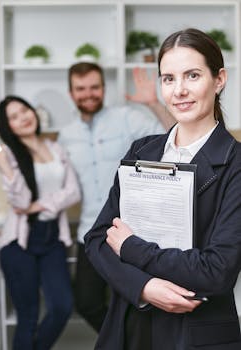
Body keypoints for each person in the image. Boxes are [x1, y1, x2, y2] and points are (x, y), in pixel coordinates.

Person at [84, 28, 241, 350]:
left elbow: (217, 270)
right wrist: (144, 286)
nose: (179, 90)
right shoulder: (141, 151)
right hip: (129, 324)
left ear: (219, 79)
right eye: (168, 79)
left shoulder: (236, 163)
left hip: (197, 332)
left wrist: (131, 249)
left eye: (192, 75)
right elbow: (98, 239)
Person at [58, 62, 175, 332]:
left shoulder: (127, 119)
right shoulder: (66, 136)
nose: (88, 94)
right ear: (71, 92)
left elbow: (174, 135)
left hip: (132, 233)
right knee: (87, 303)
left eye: (94, 87)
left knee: (138, 302)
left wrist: (154, 103)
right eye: (81, 88)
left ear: (103, 88)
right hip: (92, 233)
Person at [0, 96, 81, 350]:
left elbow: (73, 192)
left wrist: (41, 204)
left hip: (52, 239)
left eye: (24, 110)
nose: (22, 118)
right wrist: (4, 164)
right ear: (8, 127)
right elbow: (22, 202)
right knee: (27, 317)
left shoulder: (56, 148)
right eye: (13, 117)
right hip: (19, 242)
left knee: (62, 306)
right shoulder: (11, 155)